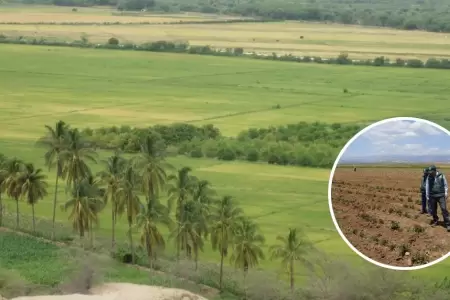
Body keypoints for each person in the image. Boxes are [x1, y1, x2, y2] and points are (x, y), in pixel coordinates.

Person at [426, 165, 450, 231]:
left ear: (435, 170)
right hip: (432, 196)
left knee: (444, 208)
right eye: (430, 172)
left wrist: (446, 193)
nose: (430, 173)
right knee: (433, 210)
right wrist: (427, 196)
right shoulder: (429, 177)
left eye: (432, 171)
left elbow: (445, 185)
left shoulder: (441, 175)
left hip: (441, 195)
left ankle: (448, 224)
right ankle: (435, 221)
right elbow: (427, 187)